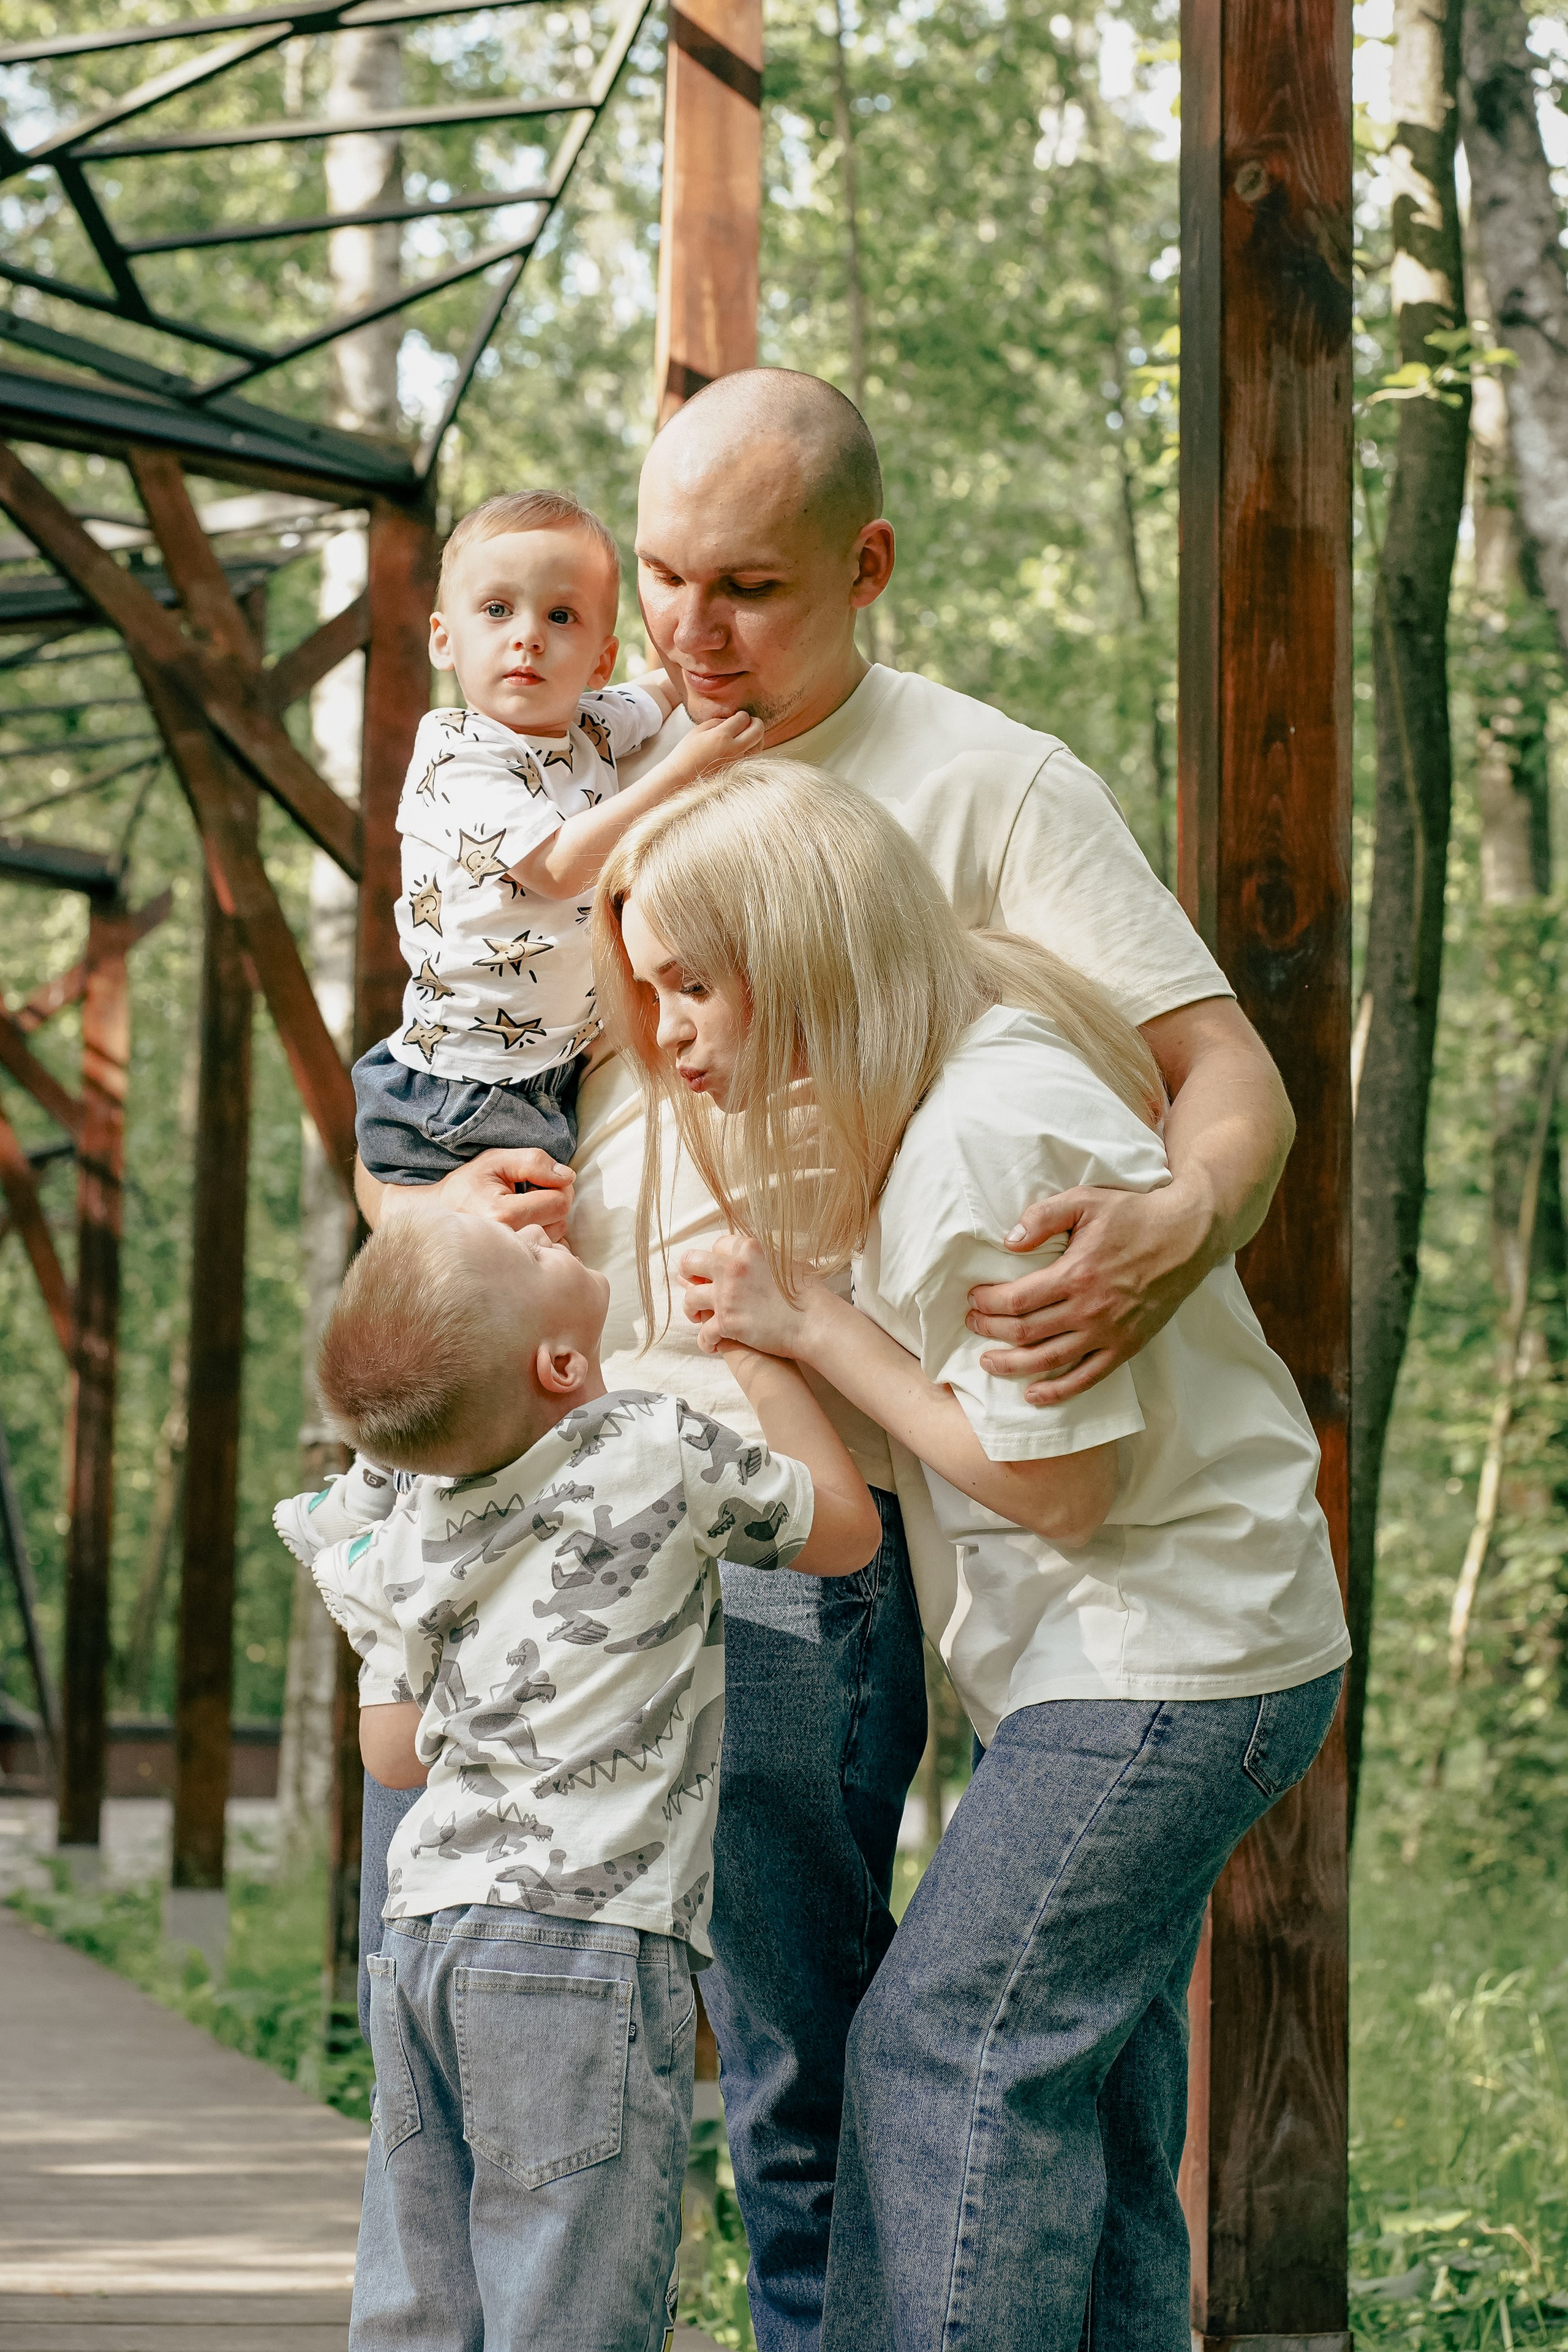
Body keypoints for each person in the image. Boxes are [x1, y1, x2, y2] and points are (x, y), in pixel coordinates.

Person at [352, 371, 1298, 2351]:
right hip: (548, 1481)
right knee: (498, 2004)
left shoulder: (983, 784)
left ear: (866, 571)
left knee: (836, 2049)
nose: (688, 640)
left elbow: (1227, 1078)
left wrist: (1175, 1221)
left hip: (815, 1497)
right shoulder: (575, 757)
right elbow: (451, 1076)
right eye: (666, 580)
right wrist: (430, 1228)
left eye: (749, 592)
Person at [595, 758, 1350, 2351]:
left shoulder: (985, 1139)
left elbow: (1058, 1488)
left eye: (689, 986)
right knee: (1097, 2092)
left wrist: (816, 1326)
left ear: (800, 959)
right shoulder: (963, 1076)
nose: (664, 1032)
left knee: (946, 2046)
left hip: (1166, 1664)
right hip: (1170, 1651)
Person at [274, 1204, 880, 2352]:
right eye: (534, 1251)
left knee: (418, 2296)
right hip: (586, 1943)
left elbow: (394, 1753)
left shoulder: (401, 1513)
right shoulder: (651, 1445)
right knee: (572, 2304)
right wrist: (762, 1352)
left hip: (425, 1939)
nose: (552, 1233)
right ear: (562, 1365)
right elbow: (844, 1532)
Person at [353, 486, 760, 1191]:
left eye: (561, 616)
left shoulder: (594, 723)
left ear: (600, 661)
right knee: (473, 1276)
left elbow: (669, 687)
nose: (529, 636)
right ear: (443, 639)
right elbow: (559, 866)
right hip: (459, 1088)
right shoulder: (458, 751)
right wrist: (690, 768)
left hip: (547, 1068)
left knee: (526, 1265)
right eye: (497, 609)